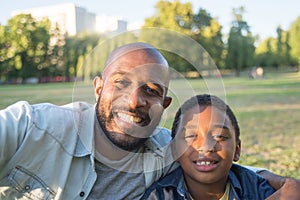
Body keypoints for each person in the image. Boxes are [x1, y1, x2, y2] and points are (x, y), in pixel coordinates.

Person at [0, 42, 299, 199]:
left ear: (164, 105)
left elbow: (216, 159)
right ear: (98, 88)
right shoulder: (30, 126)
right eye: (121, 83)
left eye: (151, 91)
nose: (134, 102)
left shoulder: (167, 151)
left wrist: (287, 185)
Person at [140, 94, 294, 199]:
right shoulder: (159, 196)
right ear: (174, 151)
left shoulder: (257, 190)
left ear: (237, 150)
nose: (206, 147)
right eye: (191, 136)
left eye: (219, 136)